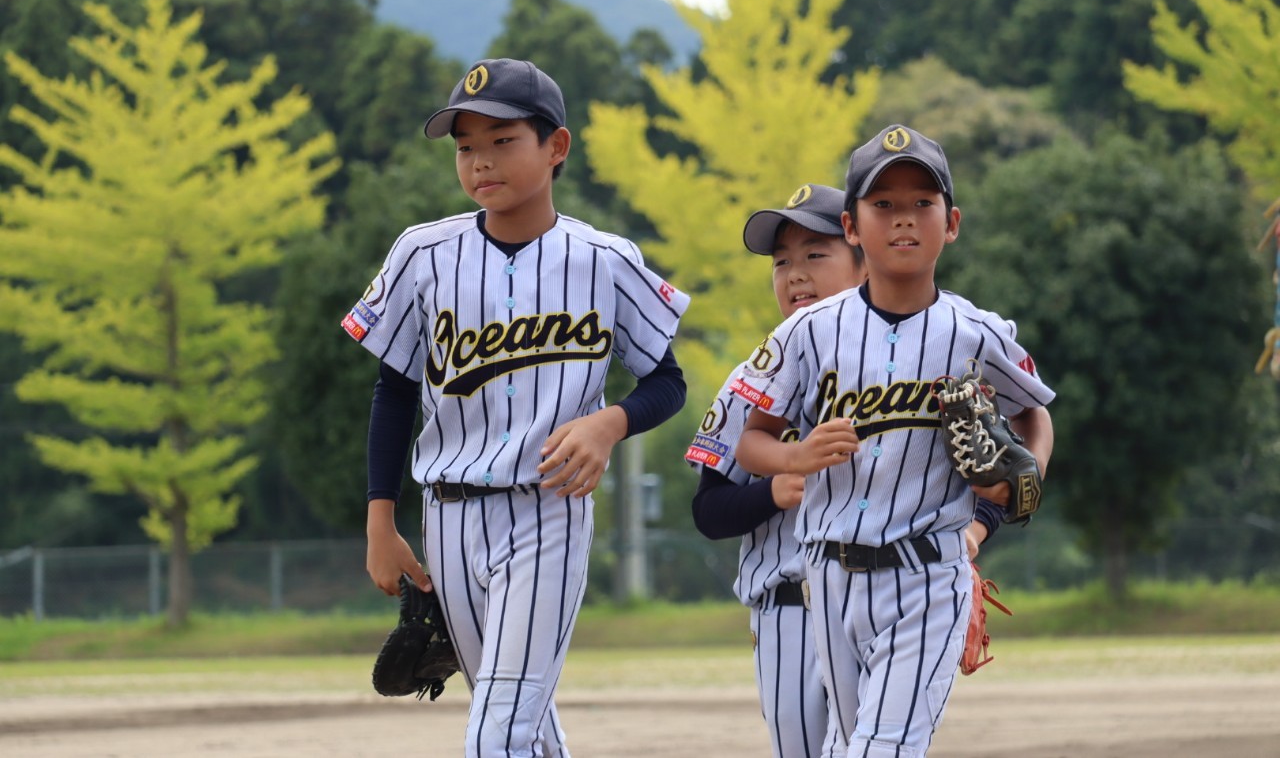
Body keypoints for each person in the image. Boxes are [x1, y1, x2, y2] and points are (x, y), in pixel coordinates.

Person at [342, 58, 690, 757]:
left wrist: (610, 422)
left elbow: (667, 381)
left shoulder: (605, 259)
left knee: (499, 727)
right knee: (521, 723)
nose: (481, 161)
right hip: (448, 516)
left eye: (503, 140)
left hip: (547, 510)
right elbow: (395, 390)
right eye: (466, 146)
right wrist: (381, 519)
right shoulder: (423, 254)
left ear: (556, 146)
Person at [735, 124, 1054, 757]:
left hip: (928, 573)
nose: (903, 218)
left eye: (921, 203)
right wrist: (796, 456)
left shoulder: (977, 333)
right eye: (883, 204)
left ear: (951, 223)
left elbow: (1034, 413)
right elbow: (752, 441)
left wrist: (1026, 479)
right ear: (851, 227)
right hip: (828, 576)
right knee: (852, 744)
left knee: (881, 747)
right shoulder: (809, 331)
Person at [687, 183, 1005, 757]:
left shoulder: (928, 356)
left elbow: (989, 461)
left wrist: (976, 530)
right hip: (789, 606)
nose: (795, 275)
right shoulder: (752, 378)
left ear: (864, 258)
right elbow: (708, 511)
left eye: (815, 254)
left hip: (901, 586)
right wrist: (776, 490)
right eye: (781, 262)